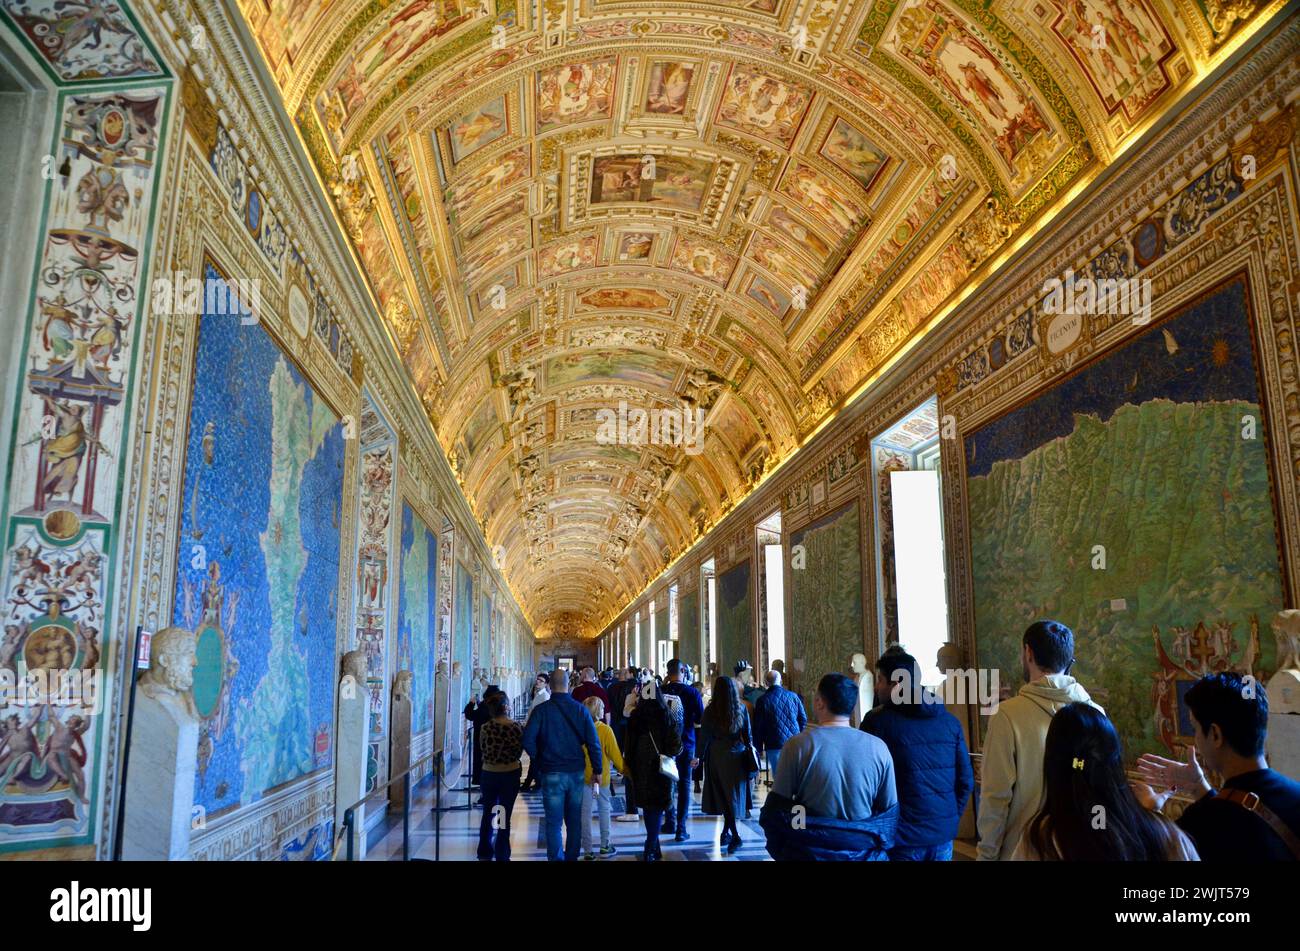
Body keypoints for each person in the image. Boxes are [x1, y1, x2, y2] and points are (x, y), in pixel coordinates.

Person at [1134, 672, 1300, 861]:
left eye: (1195, 729)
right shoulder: (1295, 795)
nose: (1196, 740)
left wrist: (1151, 813)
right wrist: (1200, 788)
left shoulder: (1200, 826)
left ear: (1215, 734)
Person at [978, 620, 1103, 861]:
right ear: (1069, 659)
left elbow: (996, 797)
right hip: (1080, 850)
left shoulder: (1007, 715)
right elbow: (1102, 791)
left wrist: (986, 855)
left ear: (1028, 653)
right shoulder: (1096, 713)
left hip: (1023, 852)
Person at [1013, 702, 1197, 860]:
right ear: (1115, 763)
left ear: (1053, 766)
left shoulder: (1041, 842)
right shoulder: (1165, 834)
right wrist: (1149, 814)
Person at [761, 673, 899, 861]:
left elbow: (777, 810)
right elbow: (888, 815)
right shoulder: (878, 748)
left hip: (809, 852)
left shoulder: (798, 745)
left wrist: (799, 834)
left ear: (819, 702)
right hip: (863, 852)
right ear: (852, 705)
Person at [862, 647, 972, 861]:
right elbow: (965, 781)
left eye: (880, 680)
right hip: (942, 836)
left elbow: (865, 782)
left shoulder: (877, 723)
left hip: (901, 838)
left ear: (896, 684)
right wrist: (949, 819)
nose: (876, 687)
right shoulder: (950, 722)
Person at [521, 669, 603, 861]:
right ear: (568, 685)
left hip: (551, 771)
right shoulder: (580, 710)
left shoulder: (541, 711)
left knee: (553, 823)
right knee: (574, 821)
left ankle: (556, 858)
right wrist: (597, 769)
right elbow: (593, 743)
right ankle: (571, 857)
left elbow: (527, 740)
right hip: (576, 772)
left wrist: (539, 758)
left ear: (550, 686)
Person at [624, 678, 683, 861]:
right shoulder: (666, 716)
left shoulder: (636, 717)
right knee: (657, 808)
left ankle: (652, 845)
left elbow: (629, 746)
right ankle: (651, 846)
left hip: (641, 768)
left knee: (649, 809)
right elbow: (676, 746)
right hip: (660, 769)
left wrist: (629, 766)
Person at [699, 676, 755, 853]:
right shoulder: (741, 708)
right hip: (737, 755)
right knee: (731, 797)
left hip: (716, 755)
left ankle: (734, 836)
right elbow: (748, 735)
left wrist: (698, 756)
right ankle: (726, 833)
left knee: (723, 796)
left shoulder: (711, 710)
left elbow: (704, 736)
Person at [476, 693, 522, 861]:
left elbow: (482, 747)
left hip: (489, 773)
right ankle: (502, 851)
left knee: (488, 811)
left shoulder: (485, 727)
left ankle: (484, 850)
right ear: (506, 707)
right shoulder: (515, 727)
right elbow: (519, 750)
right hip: (509, 774)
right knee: (503, 812)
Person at [662, 658, 704, 840]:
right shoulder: (692, 692)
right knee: (685, 784)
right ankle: (681, 828)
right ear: (683, 671)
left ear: (667, 673)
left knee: (667, 783)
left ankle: (670, 821)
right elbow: (701, 718)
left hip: (665, 745)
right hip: (686, 742)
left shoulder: (659, 691)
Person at [580, 697, 623, 860]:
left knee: (585, 813)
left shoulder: (580, 729)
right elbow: (615, 755)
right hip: (601, 778)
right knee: (604, 809)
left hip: (584, 777)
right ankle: (605, 846)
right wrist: (625, 770)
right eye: (603, 708)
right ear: (599, 711)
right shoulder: (605, 730)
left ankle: (588, 851)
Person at [752, 668, 806, 783]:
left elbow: (759, 727)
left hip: (774, 743)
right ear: (781, 681)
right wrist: (799, 736)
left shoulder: (763, 700)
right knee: (795, 776)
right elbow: (803, 719)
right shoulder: (793, 696)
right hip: (794, 742)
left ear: (766, 683)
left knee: (779, 778)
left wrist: (758, 748)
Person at [463, 685, 503, 791]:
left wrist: (471, 704)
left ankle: (483, 784)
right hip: (495, 740)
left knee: (481, 762)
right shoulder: (497, 706)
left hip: (482, 740)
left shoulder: (485, 707)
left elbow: (470, 715)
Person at [520, 674, 550, 793]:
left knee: (535, 758)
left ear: (546, 684)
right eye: (537, 679)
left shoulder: (545, 696)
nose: (538, 682)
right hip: (533, 728)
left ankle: (534, 783)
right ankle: (532, 783)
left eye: (541, 681)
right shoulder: (538, 694)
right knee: (534, 759)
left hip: (538, 731)